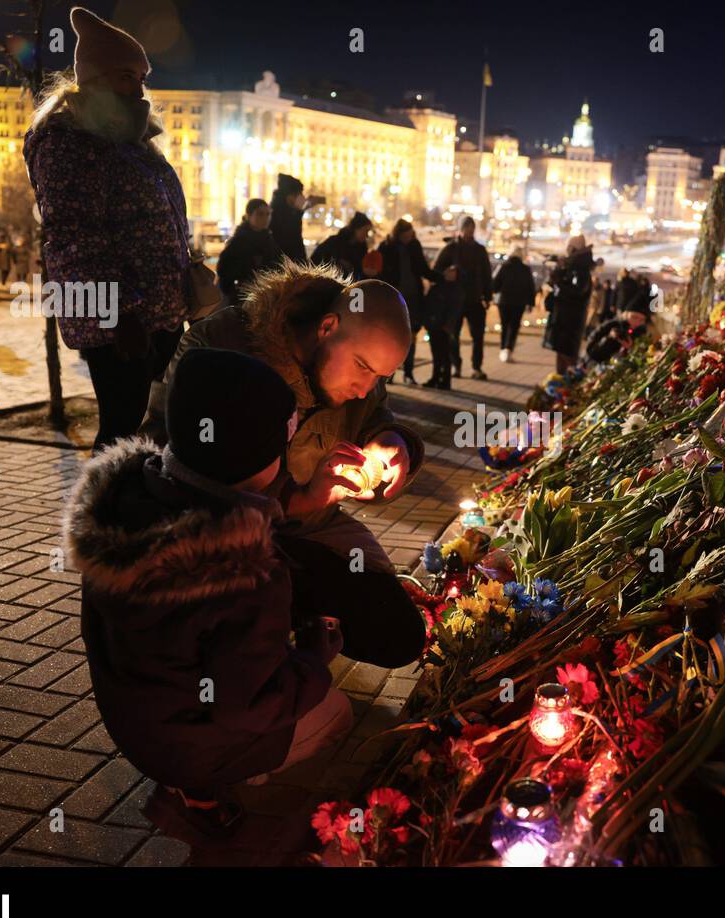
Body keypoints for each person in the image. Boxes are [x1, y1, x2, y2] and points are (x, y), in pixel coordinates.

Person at [65, 348, 360, 839]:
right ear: (260, 457)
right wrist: (314, 659)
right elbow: (251, 705)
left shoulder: (124, 504)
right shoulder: (242, 569)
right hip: (188, 748)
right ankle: (219, 781)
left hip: (134, 726)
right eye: (281, 447)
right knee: (335, 713)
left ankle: (193, 781)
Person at [139, 259, 428, 661]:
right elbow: (174, 470)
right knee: (240, 648)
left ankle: (291, 618)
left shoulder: (359, 375)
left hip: (307, 532)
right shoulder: (224, 348)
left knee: (397, 634)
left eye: (381, 376)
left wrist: (394, 444)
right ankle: (265, 638)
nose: (365, 388)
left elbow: (376, 418)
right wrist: (299, 498)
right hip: (220, 538)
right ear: (327, 327)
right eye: (363, 367)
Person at [24, 6, 191, 451]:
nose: (138, 87)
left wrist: (187, 277)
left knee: (156, 429)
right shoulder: (68, 141)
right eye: (126, 76)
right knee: (121, 429)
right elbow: (76, 238)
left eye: (141, 77)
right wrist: (121, 313)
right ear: (94, 79)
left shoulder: (135, 140)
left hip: (160, 314)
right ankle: (105, 496)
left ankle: (141, 495)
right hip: (120, 323)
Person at [377, 219, 443, 386]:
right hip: (393, 297)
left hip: (413, 297)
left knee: (411, 336)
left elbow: (423, 269)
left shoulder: (414, 246)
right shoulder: (387, 247)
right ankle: (389, 373)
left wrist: (440, 278)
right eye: (405, 235)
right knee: (392, 337)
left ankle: (408, 372)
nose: (408, 238)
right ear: (398, 234)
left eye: (410, 235)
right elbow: (379, 272)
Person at [432, 216, 492, 380]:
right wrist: (446, 278)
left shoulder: (480, 250)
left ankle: (476, 367)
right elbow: (437, 269)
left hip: (475, 298)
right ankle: (455, 365)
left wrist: (488, 296)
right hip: (454, 299)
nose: (469, 230)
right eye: (467, 227)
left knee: (478, 336)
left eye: (472, 227)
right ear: (461, 228)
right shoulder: (451, 248)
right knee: (453, 334)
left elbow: (486, 274)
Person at [543, 233, 594, 375]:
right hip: (565, 316)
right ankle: (560, 381)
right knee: (561, 351)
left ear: (574, 249)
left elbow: (577, 291)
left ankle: (569, 382)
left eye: (569, 247)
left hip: (570, 319)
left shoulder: (580, 269)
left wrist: (558, 282)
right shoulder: (573, 266)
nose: (567, 250)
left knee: (567, 354)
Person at [216, 198, 281, 307]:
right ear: (249, 216)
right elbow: (223, 270)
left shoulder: (269, 240)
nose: (265, 218)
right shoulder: (239, 241)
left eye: (268, 214)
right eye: (260, 214)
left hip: (265, 298)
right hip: (242, 299)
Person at [492, 247, 535, 364]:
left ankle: (503, 349)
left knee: (504, 325)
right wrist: (530, 303)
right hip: (519, 302)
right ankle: (509, 349)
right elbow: (530, 287)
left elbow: (495, 284)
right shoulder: (525, 269)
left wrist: (496, 291)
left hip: (504, 301)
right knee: (514, 326)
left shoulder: (504, 267)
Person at [311, 211, 373, 280]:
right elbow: (315, 261)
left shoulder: (362, 248)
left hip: (352, 285)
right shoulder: (334, 242)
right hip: (328, 282)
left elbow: (361, 271)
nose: (367, 235)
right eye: (365, 230)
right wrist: (338, 262)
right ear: (356, 229)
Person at [269, 173, 310, 264]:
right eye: (299, 194)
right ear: (290, 195)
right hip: (284, 266)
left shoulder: (291, 212)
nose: (302, 197)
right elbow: (292, 241)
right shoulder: (277, 214)